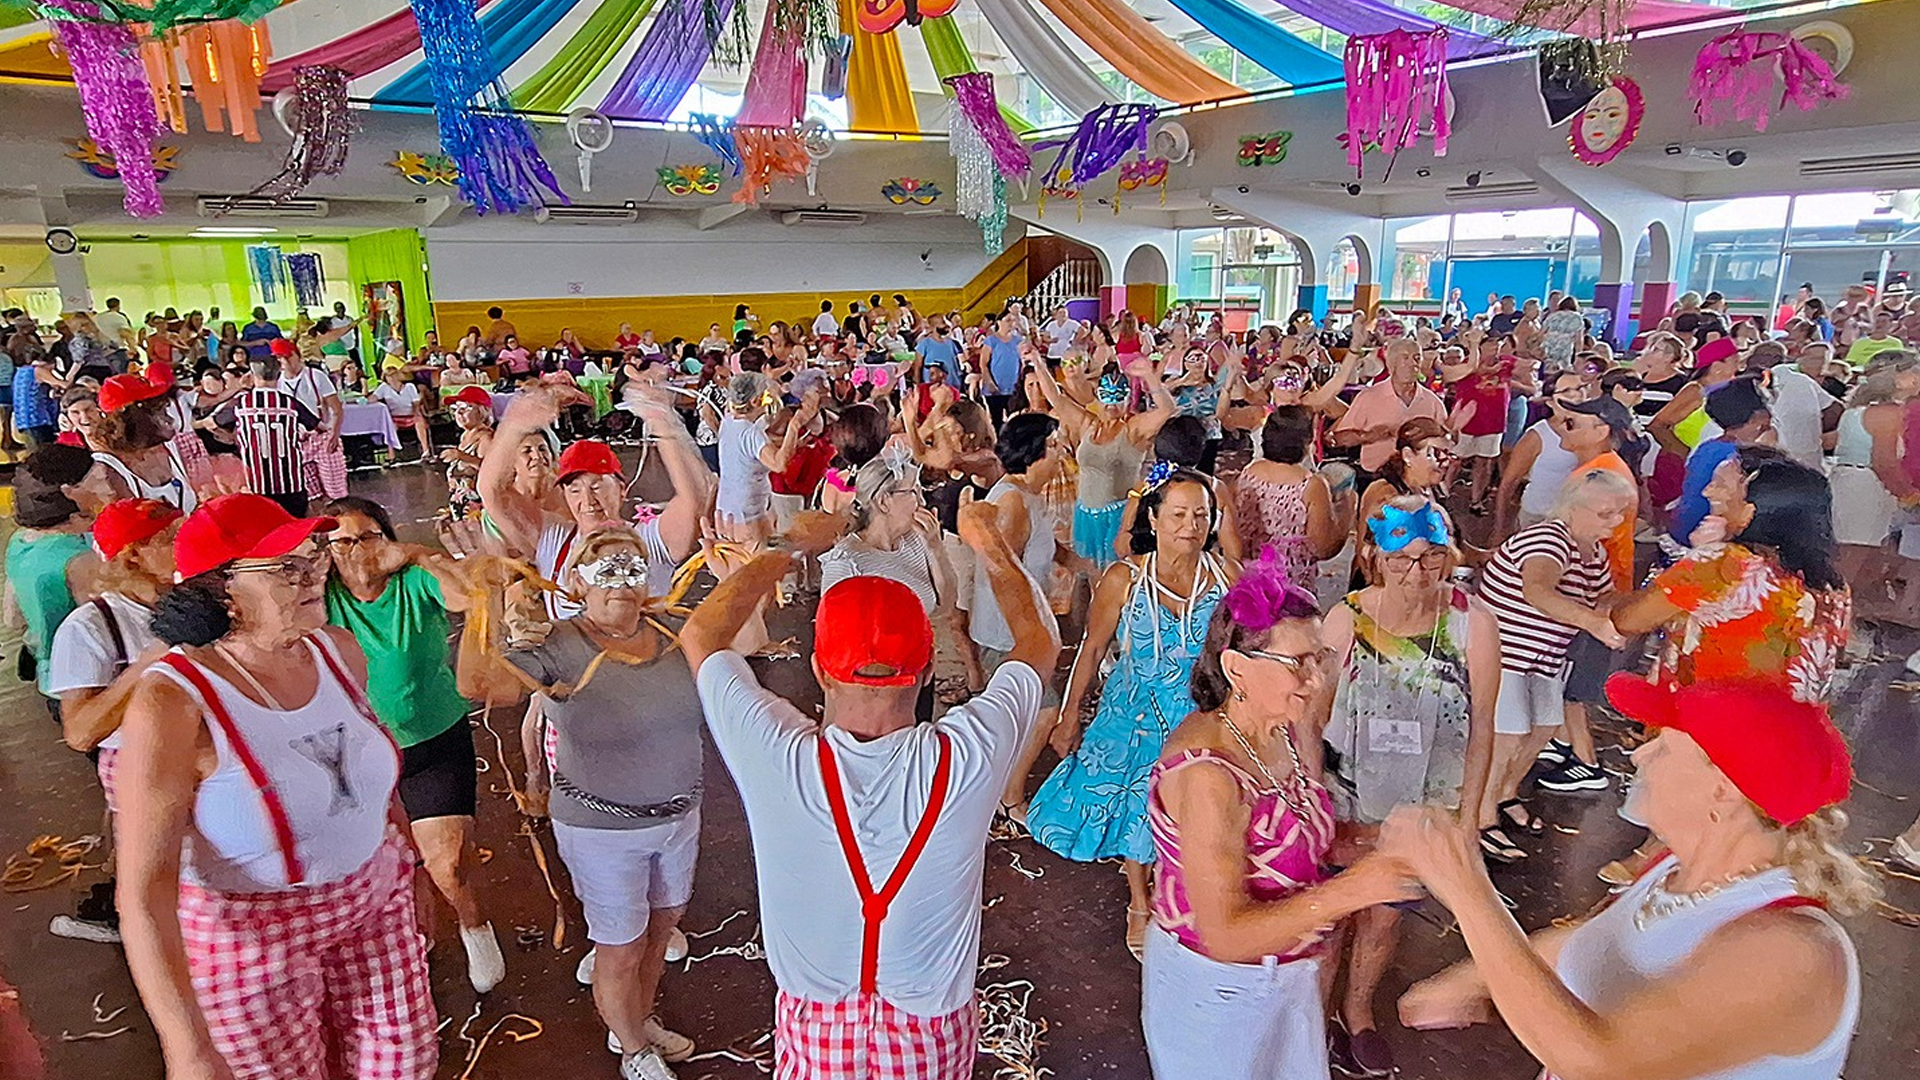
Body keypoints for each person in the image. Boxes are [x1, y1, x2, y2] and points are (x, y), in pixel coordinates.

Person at [680, 504, 1059, 1078]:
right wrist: (989, 545)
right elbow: (1039, 642)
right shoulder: (967, 756)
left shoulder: (777, 755)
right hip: (931, 1034)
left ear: (819, 669)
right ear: (929, 669)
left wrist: (788, 545)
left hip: (815, 1032)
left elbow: (702, 635)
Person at [1385, 677, 1871, 1080]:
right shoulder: (1675, 869)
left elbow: (1599, 1065)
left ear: (1722, 791)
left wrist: (1467, 888)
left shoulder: (1793, 952)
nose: (1639, 756)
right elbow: (1596, 940)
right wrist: (1469, 980)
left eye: (1664, 746)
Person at [119, 494, 437, 1080]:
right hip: (252, 939)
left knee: (404, 1064)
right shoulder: (173, 702)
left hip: (373, 901)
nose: (314, 575)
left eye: (311, 556)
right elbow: (144, 890)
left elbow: (369, 779)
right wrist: (185, 1046)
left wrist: (409, 865)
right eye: (285, 568)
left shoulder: (337, 651)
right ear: (222, 592)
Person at [1140, 552, 1421, 1079]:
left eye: (1321, 658)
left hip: (1285, 975)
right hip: (1219, 992)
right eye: (1299, 664)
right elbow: (1224, 935)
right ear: (1236, 669)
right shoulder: (1207, 774)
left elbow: (1294, 834)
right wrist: (1354, 891)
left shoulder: (1277, 727)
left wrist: (1382, 840)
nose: (1316, 681)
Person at [458, 526, 705, 1078]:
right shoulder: (558, 646)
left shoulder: (674, 631)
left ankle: (634, 1027)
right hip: (601, 828)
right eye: (604, 568)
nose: (620, 579)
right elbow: (482, 686)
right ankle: (635, 1052)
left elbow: (746, 635)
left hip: (679, 816)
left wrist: (751, 563)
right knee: (620, 947)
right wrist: (485, 601)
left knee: (661, 931)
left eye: (632, 566)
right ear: (575, 583)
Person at [1312, 496, 1498, 1076]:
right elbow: (1311, 721)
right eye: (1401, 559)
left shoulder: (1470, 622)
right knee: (1329, 916)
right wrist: (1310, 802)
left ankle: (1358, 1008)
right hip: (1346, 795)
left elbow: (1483, 727)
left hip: (1421, 802)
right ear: (1373, 557)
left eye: (1431, 558)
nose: (1417, 574)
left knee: (1385, 916)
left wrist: (1467, 820)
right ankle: (1313, 1018)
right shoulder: (1345, 620)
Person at [1028, 469, 1237, 958]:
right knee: (1134, 809)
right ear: (1154, 517)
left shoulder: (1226, 578)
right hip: (1132, 713)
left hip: (1197, 715)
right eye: (1179, 514)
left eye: (1201, 516)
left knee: (1188, 809)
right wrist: (1070, 712)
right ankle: (1140, 902)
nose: (1191, 526)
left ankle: (1176, 892)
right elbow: (1093, 645)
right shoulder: (1126, 579)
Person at [319, 497, 506, 995]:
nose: (357, 551)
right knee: (390, 864)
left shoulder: (413, 581)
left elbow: (466, 596)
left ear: (388, 540)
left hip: (433, 737)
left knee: (448, 862)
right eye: (342, 542)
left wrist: (422, 555)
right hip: (358, 754)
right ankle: (414, 939)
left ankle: (474, 927)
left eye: (368, 537)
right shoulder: (322, 598)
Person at [1474, 468, 1631, 863]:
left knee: (1543, 729)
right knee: (1507, 736)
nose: (1615, 522)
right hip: (1505, 652)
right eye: (1605, 513)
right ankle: (1479, 816)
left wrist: (1616, 611)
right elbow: (1538, 591)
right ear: (1573, 508)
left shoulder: (1592, 551)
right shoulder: (1549, 539)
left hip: (1543, 658)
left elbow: (1608, 595)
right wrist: (1595, 622)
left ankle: (1504, 793)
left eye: (1618, 513)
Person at [1032, 361, 1173, 567]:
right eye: (1106, 397)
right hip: (1084, 514)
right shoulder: (1088, 424)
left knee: (1116, 574)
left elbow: (1166, 410)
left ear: (1128, 400)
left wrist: (1149, 376)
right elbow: (1056, 398)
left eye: (1118, 398)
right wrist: (1037, 361)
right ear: (1098, 397)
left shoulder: (1133, 429)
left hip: (1118, 516)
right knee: (1086, 572)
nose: (1111, 405)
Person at [5, 444, 103, 716]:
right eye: (99, 481)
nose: (107, 487)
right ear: (72, 496)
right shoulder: (80, 562)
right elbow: (105, 631)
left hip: (49, 676)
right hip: (88, 681)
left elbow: (12, 619)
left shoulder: (20, 541)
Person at [1827, 352, 1917, 626]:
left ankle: (1839, 622)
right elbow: (1884, 462)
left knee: (1861, 559)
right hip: (1865, 488)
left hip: (1856, 485)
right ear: (1898, 379)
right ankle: (1829, 622)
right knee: (1853, 560)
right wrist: (1909, 496)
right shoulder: (1886, 413)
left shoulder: (1863, 409)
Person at [1233, 406, 1347, 586]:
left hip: (1250, 581)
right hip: (1290, 586)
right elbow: (1323, 548)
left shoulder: (1249, 472)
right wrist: (1347, 511)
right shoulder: (1311, 485)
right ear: (1307, 441)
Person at [1330, 339, 1446, 490]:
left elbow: (1445, 443)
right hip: (1377, 479)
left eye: (1417, 358)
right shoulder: (1369, 397)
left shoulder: (1432, 402)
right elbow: (1337, 439)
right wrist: (1367, 436)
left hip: (1419, 482)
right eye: (1405, 358)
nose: (1412, 364)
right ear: (1391, 364)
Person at [216, 356, 322, 516]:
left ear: (252, 375)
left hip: (257, 484)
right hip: (290, 482)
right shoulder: (290, 403)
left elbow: (215, 422)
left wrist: (233, 437)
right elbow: (317, 426)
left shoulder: (240, 403)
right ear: (279, 375)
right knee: (294, 529)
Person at [88, 374, 198, 513]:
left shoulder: (170, 448)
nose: (170, 418)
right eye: (160, 411)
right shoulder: (107, 470)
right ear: (136, 418)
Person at [440, 385, 496, 519]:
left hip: (477, 508)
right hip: (461, 503)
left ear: (481, 411)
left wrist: (461, 456)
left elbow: (490, 470)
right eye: (455, 409)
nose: (458, 413)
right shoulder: (465, 436)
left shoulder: (485, 437)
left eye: (465, 408)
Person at [371, 364, 432, 462]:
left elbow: (416, 403)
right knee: (389, 427)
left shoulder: (409, 386)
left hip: (411, 415)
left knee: (420, 422)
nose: (392, 378)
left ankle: (426, 452)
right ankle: (391, 455)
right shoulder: (384, 387)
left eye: (394, 375)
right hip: (394, 417)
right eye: (389, 376)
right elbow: (373, 398)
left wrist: (416, 413)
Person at [979, 313, 1025, 425]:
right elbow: (983, 364)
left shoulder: (1018, 341)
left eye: (1013, 320)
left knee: (1014, 419)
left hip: (1013, 387)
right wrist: (989, 382)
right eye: (1008, 320)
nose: (1011, 323)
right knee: (996, 419)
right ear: (999, 322)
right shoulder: (991, 341)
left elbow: (1022, 362)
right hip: (996, 387)